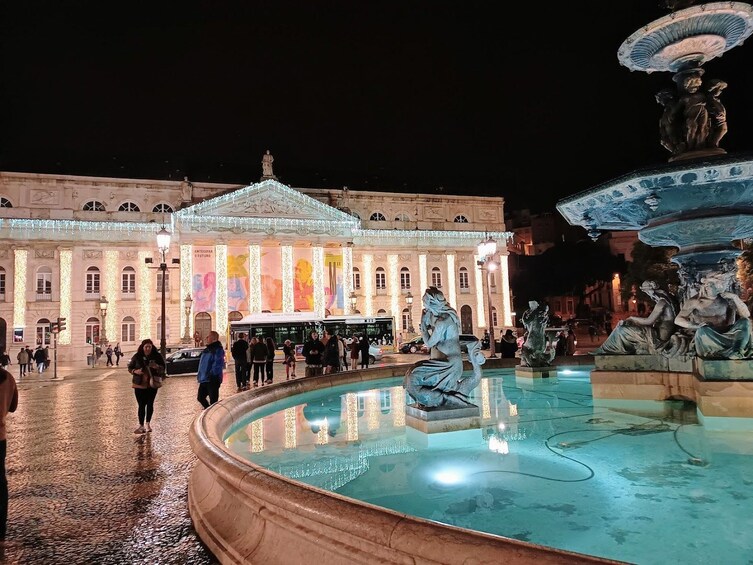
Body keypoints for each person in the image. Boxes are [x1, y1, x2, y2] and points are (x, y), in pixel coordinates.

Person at [404, 286, 485, 407]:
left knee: (412, 379)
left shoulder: (443, 321)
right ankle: (435, 399)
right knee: (410, 376)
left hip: (450, 365)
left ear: (432, 303)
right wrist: (427, 320)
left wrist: (424, 328)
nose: (424, 307)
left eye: (425, 303)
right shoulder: (439, 317)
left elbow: (429, 343)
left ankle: (442, 400)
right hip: (445, 361)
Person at [674, 272, 753, 359]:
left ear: (718, 287)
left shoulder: (726, 299)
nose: (707, 287)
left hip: (728, 333)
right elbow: (678, 320)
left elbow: (746, 315)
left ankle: (737, 351)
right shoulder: (695, 301)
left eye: (711, 285)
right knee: (703, 330)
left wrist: (735, 297)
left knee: (745, 322)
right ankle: (725, 352)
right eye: (706, 284)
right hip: (709, 334)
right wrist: (696, 326)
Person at [595, 280, 678, 355]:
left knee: (621, 330)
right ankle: (607, 349)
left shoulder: (662, 302)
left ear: (652, 290)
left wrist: (632, 318)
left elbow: (649, 321)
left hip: (658, 336)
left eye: (647, 291)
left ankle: (607, 350)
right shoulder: (667, 301)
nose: (647, 294)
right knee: (622, 328)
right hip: (657, 331)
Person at [127, 339, 165, 434]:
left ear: (152, 347)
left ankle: (148, 423)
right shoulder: (137, 356)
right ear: (142, 347)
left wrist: (157, 367)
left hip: (152, 384)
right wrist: (135, 371)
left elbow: (163, 368)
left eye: (149, 347)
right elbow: (130, 367)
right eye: (146, 347)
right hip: (139, 384)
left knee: (150, 404)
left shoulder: (157, 356)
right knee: (141, 405)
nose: (148, 349)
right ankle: (141, 425)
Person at [0, 365, 18, 542]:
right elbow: (13, 407)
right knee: (0, 482)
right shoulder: (8, 378)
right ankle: (1, 528)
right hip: (0, 437)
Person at [520, 300, 555, 367]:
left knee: (532, 349)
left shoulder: (536, 313)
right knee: (539, 350)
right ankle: (539, 360)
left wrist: (524, 314)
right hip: (541, 337)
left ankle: (532, 360)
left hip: (534, 336)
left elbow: (526, 321)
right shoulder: (545, 316)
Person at [196, 331, 225, 409]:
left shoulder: (218, 349)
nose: (206, 338)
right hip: (204, 378)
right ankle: (208, 410)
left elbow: (218, 364)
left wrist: (212, 374)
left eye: (208, 336)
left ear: (214, 338)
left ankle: (213, 415)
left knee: (213, 401)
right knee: (200, 397)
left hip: (212, 379)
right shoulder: (207, 349)